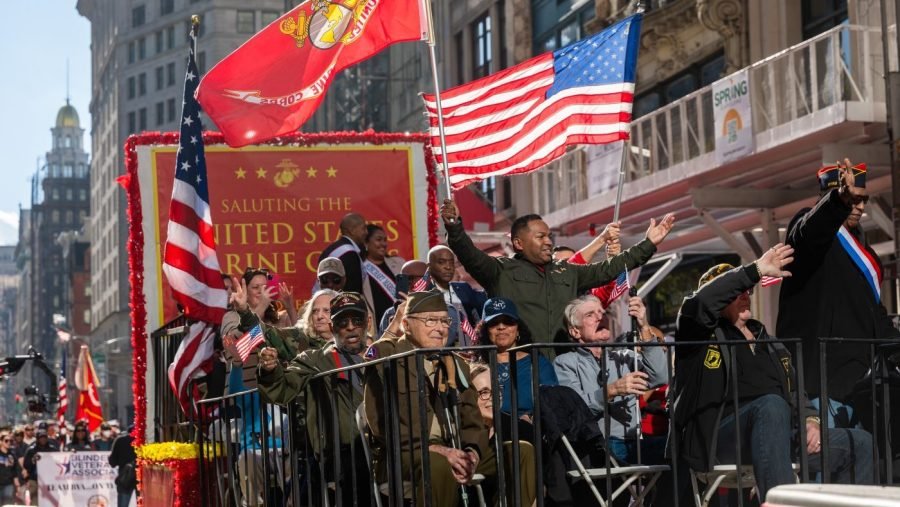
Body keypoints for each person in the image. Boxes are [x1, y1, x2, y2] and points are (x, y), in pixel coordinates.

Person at [675, 245, 873, 501]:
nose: (745, 295)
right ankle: (781, 504)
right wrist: (755, 269)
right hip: (719, 440)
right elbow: (700, 302)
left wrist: (811, 421)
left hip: (777, 434)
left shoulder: (771, 344)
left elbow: (796, 394)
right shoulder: (698, 335)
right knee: (770, 405)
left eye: (747, 290)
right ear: (718, 301)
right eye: (736, 292)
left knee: (860, 443)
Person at [364, 290, 536, 507]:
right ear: (406, 325)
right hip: (406, 452)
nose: (440, 328)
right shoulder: (388, 357)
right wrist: (437, 450)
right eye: (430, 320)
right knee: (437, 464)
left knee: (520, 452)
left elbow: (472, 418)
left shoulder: (455, 363)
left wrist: (472, 451)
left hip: (453, 448)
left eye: (445, 321)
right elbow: (380, 424)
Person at [441, 199, 675, 346]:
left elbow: (610, 268)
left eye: (549, 236)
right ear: (519, 243)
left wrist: (649, 244)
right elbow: (468, 253)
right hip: (520, 368)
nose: (548, 241)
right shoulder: (499, 271)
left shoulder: (567, 272)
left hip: (564, 368)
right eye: (540, 237)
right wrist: (454, 226)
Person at [777, 160, 900, 428]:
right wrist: (838, 200)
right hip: (820, 387)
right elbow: (810, 230)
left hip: (861, 388)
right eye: (853, 199)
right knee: (827, 455)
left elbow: (875, 315)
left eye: (862, 199)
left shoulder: (864, 250)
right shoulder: (806, 226)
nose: (860, 206)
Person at [258, 292, 373, 506]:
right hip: (344, 458)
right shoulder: (315, 359)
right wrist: (270, 371)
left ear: (368, 322)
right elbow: (281, 390)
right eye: (342, 322)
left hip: (385, 450)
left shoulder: (383, 353)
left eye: (357, 320)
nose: (350, 327)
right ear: (332, 326)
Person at [555, 294, 668, 465]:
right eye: (590, 314)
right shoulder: (565, 363)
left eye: (602, 312)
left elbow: (660, 376)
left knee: (681, 447)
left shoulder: (624, 357)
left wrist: (644, 326)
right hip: (597, 446)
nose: (600, 317)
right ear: (575, 331)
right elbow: (574, 411)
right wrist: (612, 390)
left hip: (634, 443)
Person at [476, 297, 558, 420]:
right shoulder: (476, 366)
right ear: (485, 330)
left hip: (531, 428)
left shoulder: (538, 363)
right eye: (494, 323)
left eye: (508, 321)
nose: (501, 327)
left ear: (518, 329)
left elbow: (553, 405)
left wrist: (531, 418)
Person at [362, 224, 405, 323]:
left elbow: (406, 293)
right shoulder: (360, 268)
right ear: (366, 243)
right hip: (375, 324)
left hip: (400, 322)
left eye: (385, 240)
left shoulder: (399, 264)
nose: (383, 244)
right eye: (379, 239)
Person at [319, 213, 368, 293]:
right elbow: (353, 290)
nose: (366, 232)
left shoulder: (333, 248)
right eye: (363, 228)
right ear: (352, 231)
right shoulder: (349, 254)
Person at [23, 428, 59, 502]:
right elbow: (26, 465)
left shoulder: (53, 449)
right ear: (37, 438)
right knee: (35, 501)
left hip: (49, 480)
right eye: (41, 437)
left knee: (49, 501)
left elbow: (59, 462)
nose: (43, 439)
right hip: (34, 479)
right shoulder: (31, 450)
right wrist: (33, 460)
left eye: (44, 437)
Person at [108, 426, 136, 507]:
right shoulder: (145, 440)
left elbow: (113, 462)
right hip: (142, 477)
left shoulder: (120, 440)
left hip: (125, 478)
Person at [0, 431, 21, 504]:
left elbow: (15, 472)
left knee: (8, 504)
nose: (9, 442)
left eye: (11, 441)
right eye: (6, 441)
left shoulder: (12, 455)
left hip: (9, 484)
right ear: (1, 441)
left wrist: (18, 486)